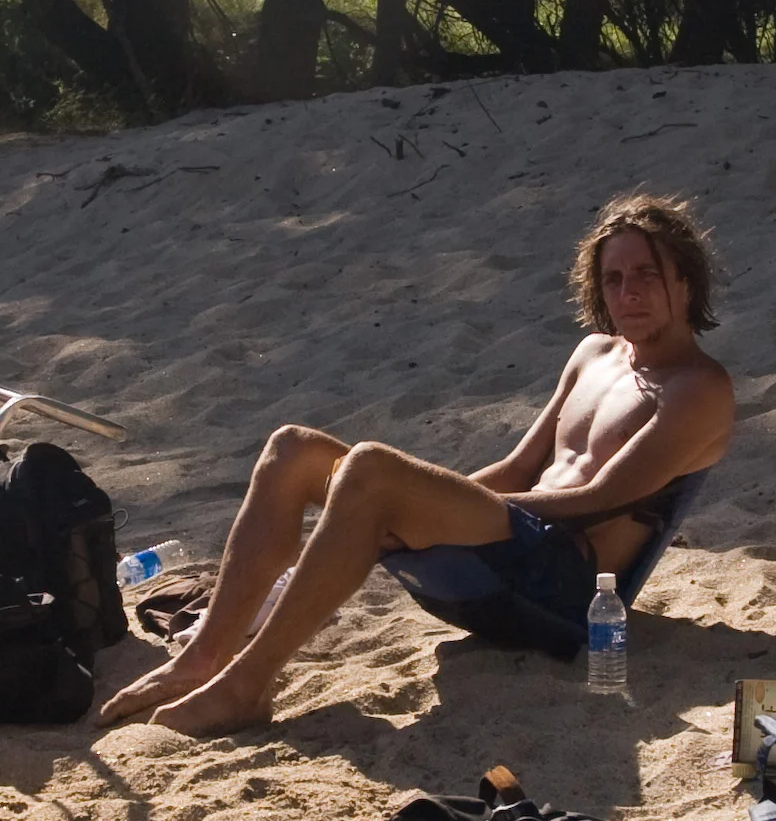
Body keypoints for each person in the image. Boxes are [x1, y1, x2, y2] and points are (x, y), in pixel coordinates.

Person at [93, 193, 734, 736]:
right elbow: (516, 467)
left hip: (566, 596)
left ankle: (249, 686)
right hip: (502, 554)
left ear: (685, 281)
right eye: (614, 279)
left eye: (647, 275)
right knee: (294, 450)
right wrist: (411, 508)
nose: (629, 293)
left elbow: (600, 498)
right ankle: (205, 656)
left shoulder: (698, 389)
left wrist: (408, 508)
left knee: (370, 471)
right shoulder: (595, 353)